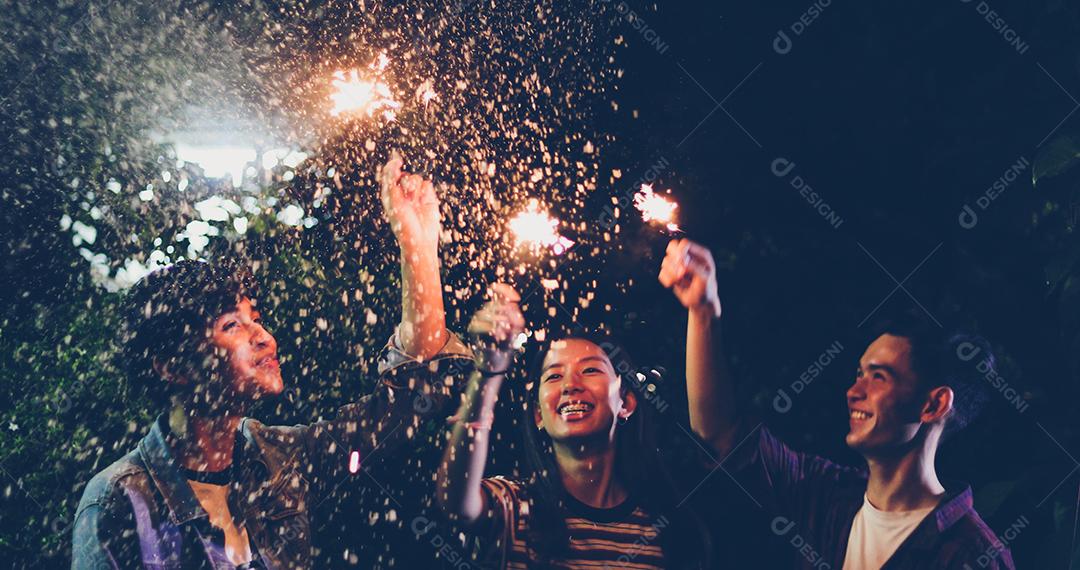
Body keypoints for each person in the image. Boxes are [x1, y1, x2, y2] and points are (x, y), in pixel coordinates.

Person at [71, 154, 472, 569]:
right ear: (170, 366)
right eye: (233, 325)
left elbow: (412, 394)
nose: (264, 337)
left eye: (257, 320)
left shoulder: (280, 462)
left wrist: (418, 248)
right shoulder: (122, 502)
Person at [659, 237, 1015, 569]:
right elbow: (720, 435)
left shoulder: (972, 554)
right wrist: (703, 312)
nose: (853, 391)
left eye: (878, 376)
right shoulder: (826, 497)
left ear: (933, 405)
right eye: (858, 373)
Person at [436, 284, 712, 569]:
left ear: (626, 403)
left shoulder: (668, 531)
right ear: (538, 416)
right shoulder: (514, 507)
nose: (570, 386)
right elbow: (456, 503)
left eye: (590, 369)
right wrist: (488, 371)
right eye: (554, 376)